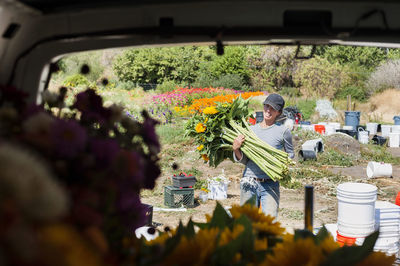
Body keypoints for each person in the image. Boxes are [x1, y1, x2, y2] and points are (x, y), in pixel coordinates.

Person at [232, 93, 294, 218]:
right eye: (266, 106)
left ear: (279, 112)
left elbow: (290, 154)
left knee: (269, 224)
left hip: (270, 183)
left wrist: (280, 162)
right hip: (249, 181)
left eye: (273, 108)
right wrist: (236, 149)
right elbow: (245, 160)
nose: (268, 110)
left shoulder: (283, 131)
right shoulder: (250, 130)